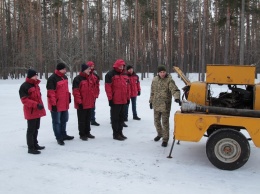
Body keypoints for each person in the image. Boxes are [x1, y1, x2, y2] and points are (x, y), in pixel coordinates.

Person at [149, 65, 181, 147]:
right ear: (158, 73)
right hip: (156, 104)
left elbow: (175, 90)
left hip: (165, 105)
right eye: (161, 72)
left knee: (165, 123)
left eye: (164, 72)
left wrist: (177, 97)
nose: (162, 74)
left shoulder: (169, 80)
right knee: (156, 122)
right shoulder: (155, 80)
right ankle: (160, 134)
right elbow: (152, 92)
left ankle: (165, 139)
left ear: (166, 72)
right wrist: (151, 101)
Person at [19, 69, 46, 154]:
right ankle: (30, 148)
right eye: (35, 75)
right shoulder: (24, 86)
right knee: (31, 130)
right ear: (30, 76)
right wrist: (36, 105)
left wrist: (40, 106)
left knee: (36, 128)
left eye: (36, 75)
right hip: (31, 111)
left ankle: (35, 144)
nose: (36, 77)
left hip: (38, 110)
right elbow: (25, 100)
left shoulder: (36, 85)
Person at [46, 63, 74, 146]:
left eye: (65, 69)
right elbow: (51, 93)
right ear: (59, 69)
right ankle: (58, 137)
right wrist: (53, 104)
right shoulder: (52, 78)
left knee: (64, 120)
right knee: (56, 122)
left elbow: (66, 90)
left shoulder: (64, 77)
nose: (65, 71)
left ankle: (64, 134)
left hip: (64, 103)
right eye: (64, 69)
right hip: (56, 104)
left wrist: (68, 97)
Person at [105, 59, 130, 141]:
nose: (121, 67)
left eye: (123, 66)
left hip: (123, 100)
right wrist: (110, 99)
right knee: (115, 118)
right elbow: (108, 88)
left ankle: (120, 132)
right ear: (116, 65)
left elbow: (127, 87)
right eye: (120, 66)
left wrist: (128, 98)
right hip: (115, 100)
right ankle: (115, 134)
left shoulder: (125, 74)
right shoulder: (110, 74)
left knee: (121, 118)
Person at [72, 64, 96, 140]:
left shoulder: (89, 78)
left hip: (89, 102)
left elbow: (92, 90)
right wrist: (79, 102)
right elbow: (76, 92)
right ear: (84, 70)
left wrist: (93, 100)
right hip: (82, 103)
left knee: (88, 119)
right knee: (82, 120)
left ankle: (87, 132)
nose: (90, 70)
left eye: (90, 69)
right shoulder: (77, 79)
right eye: (88, 69)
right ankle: (82, 134)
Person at [86, 61, 100, 126]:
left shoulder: (94, 74)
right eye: (91, 66)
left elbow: (97, 84)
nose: (92, 67)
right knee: (88, 107)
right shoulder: (87, 74)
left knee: (93, 107)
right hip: (88, 93)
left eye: (93, 66)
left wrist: (97, 92)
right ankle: (89, 119)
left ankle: (92, 119)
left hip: (94, 93)